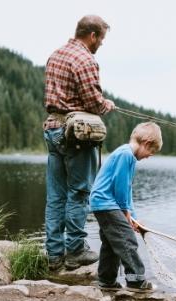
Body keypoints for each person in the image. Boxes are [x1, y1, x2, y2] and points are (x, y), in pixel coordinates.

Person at [43, 15, 115, 271]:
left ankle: (53, 255)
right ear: (93, 35)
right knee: (79, 193)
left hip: (52, 129)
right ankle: (74, 251)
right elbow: (94, 103)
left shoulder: (55, 54)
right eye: (101, 39)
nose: (101, 45)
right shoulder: (85, 59)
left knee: (55, 197)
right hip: (75, 136)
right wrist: (108, 105)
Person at [89, 122, 163, 292]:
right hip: (107, 203)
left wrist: (133, 217)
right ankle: (136, 281)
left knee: (111, 243)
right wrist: (125, 213)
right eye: (151, 152)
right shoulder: (126, 155)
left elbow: (127, 190)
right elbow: (120, 188)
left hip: (104, 204)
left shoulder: (127, 155)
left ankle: (106, 282)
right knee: (127, 239)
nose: (149, 156)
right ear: (146, 143)